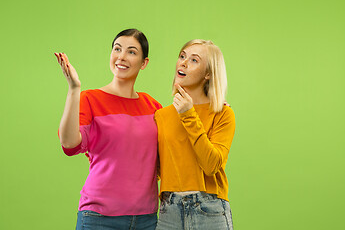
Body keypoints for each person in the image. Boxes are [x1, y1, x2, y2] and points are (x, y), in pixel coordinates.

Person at [55, 29, 161, 230]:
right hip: (99, 218)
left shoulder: (153, 106)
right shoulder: (90, 99)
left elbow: (175, 147)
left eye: (131, 52)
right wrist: (73, 89)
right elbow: (69, 144)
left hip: (147, 219)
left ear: (144, 63)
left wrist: (212, 107)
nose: (121, 56)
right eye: (117, 49)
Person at [154, 39, 235, 230]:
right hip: (169, 211)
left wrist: (188, 114)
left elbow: (211, 165)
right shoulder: (161, 116)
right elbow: (154, 169)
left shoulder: (223, 113)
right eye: (182, 56)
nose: (183, 62)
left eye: (193, 60)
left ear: (208, 73)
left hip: (210, 209)